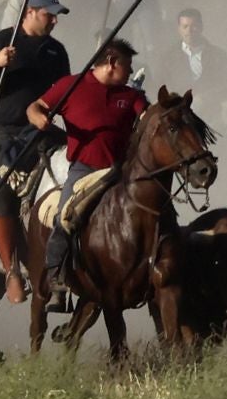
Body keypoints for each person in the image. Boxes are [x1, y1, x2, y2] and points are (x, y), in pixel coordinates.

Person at [0, 0, 71, 305]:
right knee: (1, 190)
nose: (54, 21)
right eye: (49, 15)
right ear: (30, 12)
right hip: (3, 132)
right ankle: (11, 270)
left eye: (56, 17)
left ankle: (63, 262)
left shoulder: (57, 52)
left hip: (43, 131)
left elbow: (63, 95)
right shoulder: (2, 40)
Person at [28, 39, 147, 313]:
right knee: (64, 219)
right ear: (112, 63)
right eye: (127, 67)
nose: (130, 73)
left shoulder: (130, 96)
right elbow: (35, 107)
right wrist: (39, 118)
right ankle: (57, 280)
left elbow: (148, 119)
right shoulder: (71, 85)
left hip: (120, 172)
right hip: (85, 170)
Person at [143, 8, 227, 120]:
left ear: (201, 27)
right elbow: (157, 87)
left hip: (210, 118)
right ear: (179, 29)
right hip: (176, 120)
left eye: (194, 26)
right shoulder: (167, 57)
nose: (189, 31)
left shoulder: (218, 55)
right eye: (185, 27)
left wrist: (204, 98)